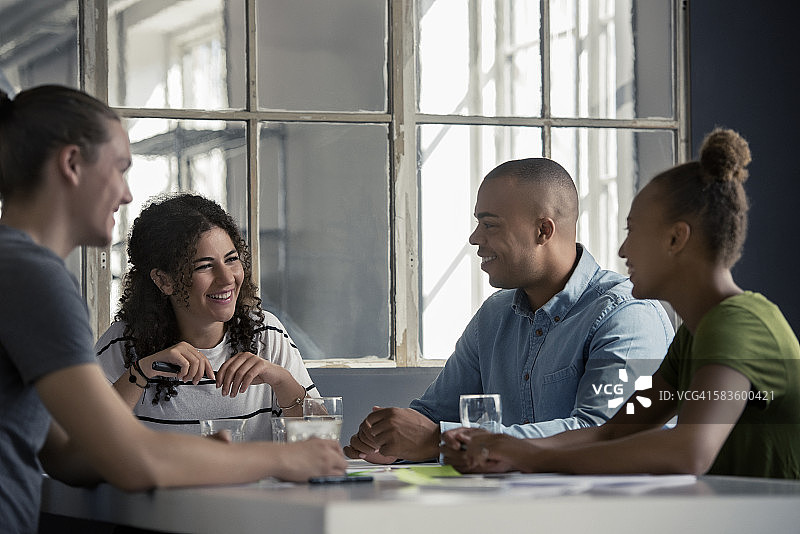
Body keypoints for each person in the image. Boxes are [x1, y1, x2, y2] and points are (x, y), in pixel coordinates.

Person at [0, 85, 345, 533]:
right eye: (120, 168)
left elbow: (65, 456)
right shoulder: (32, 278)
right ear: (71, 164)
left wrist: (205, 457)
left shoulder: (16, 269)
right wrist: (281, 456)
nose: (125, 195)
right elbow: (134, 461)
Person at [443, 129, 800, 479]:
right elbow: (612, 431)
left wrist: (531, 457)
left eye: (633, 231)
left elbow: (690, 452)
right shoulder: (693, 338)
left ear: (676, 238)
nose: (622, 251)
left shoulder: (739, 323)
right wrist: (510, 449)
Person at [345, 158, 674, 464]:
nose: (475, 238)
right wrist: (392, 440)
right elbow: (433, 415)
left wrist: (440, 440)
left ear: (543, 231)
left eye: (490, 225)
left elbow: (605, 434)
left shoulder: (628, 315)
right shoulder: (494, 316)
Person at [95, 193, 317, 440]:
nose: (227, 278)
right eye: (204, 266)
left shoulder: (265, 333)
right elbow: (86, 442)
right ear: (163, 280)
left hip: (255, 480)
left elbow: (321, 439)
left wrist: (281, 380)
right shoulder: (124, 342)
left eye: (231, 259)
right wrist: (143, 371)